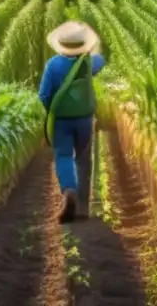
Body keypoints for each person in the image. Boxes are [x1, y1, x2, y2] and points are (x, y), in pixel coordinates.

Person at [39, 21, 106, 223]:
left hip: (61, 121)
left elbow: (43, 94)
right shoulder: (86, 63)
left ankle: (69, 190)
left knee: (64, 156)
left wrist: (54, 109)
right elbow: (100, 60)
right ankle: (84, 208)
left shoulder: (52, 65)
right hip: (85, 119)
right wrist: (95, 46)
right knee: (85, 160)